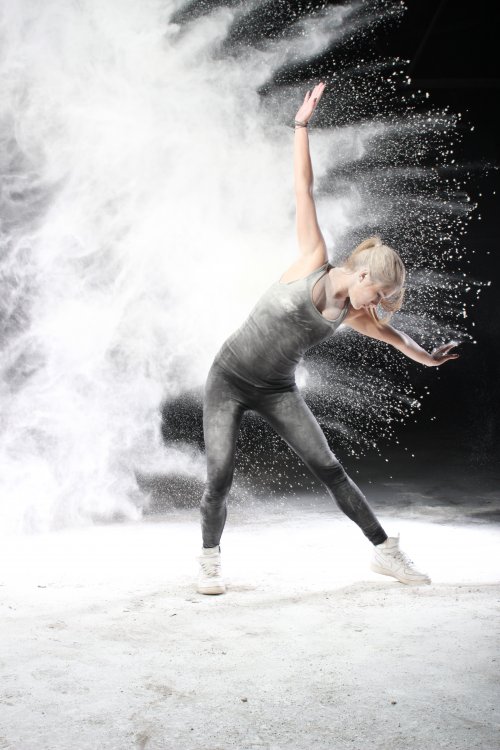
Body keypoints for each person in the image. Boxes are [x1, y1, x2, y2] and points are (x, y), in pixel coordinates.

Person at [197, 82, 459, 595]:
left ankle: (385, 552)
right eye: (377, 294)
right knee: (219, 477)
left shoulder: (353, 313)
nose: (376, 306)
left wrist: (430, 359)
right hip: (227, 379)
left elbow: (396, 338)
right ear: (361, 275)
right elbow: (303, 187)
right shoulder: (312, 259)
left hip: (277, 390)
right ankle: (209, 560)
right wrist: (301, 125)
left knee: (330, 468)